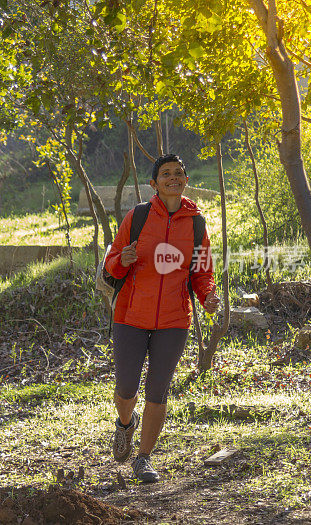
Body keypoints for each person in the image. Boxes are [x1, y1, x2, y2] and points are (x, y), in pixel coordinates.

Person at [103, 153, 221, 482]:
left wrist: (208, 295)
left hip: (173, 320)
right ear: (154, 184)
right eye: (166, 173)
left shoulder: (196, 223)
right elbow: (112, 261)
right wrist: (122, 260)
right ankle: (126, 424)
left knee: (158, 391)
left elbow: (202, 271)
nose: (174, 177)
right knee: (126, 389)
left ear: (185, 180)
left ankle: (143, 458)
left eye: (179, 173)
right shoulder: (138, 217)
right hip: (130, 316)